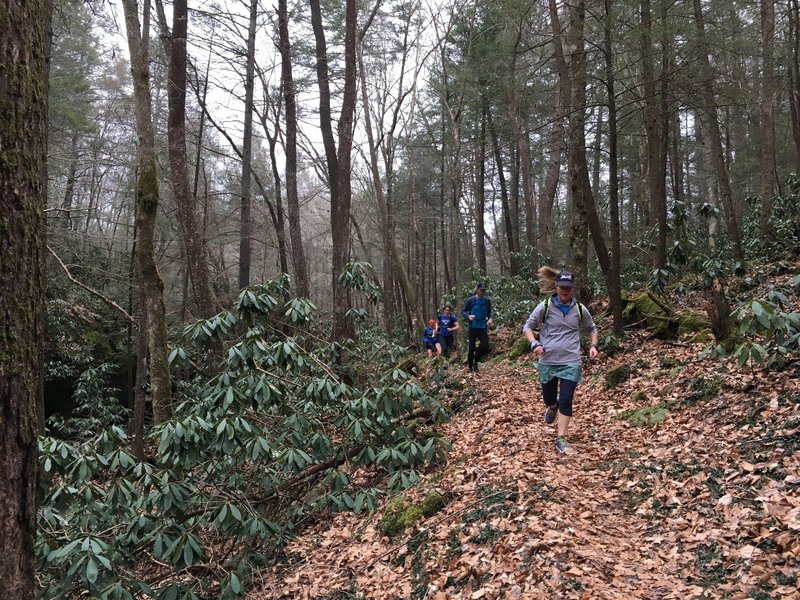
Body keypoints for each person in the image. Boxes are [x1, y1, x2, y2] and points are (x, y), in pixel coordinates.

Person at [522, 268, 599, 454]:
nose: (565, 291)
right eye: (562, 287)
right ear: (556, 287)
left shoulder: (580, 309)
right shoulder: (545, 306)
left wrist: (593, 345)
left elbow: (591, 328)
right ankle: (552, 406)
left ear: (572, 289)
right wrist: (534, 343)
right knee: (549, 398)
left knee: (566, 399)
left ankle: (561, 438)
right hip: (548, 360)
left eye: (568, 288)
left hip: (571, 361)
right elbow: (528, 327)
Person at [461, 282, 493, 373]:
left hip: (483, 326)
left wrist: (490, 318)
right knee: (471, 348)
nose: (482, 292)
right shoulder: (471, 300)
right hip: (473, 326)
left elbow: (489, 312)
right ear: (477, 290)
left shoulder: (487, 300)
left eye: (484, 290)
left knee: (485, 346)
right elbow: (463, 311)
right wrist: (468, 316)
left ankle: (476, 360)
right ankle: (470, 367)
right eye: (481, 290)